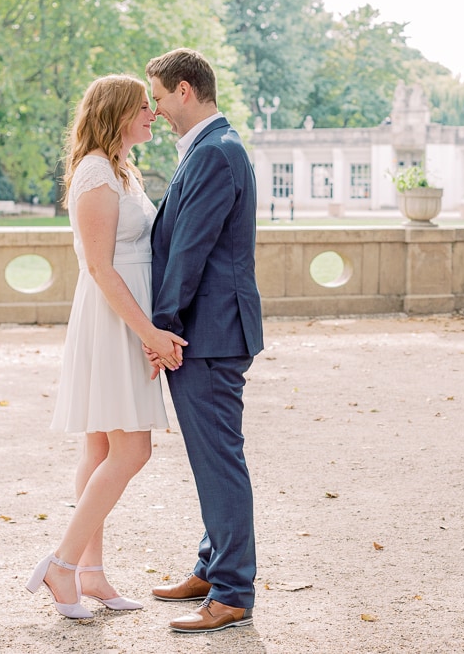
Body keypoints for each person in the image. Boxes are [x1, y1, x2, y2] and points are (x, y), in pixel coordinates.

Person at [26, 74, 187, 619]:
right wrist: (150, 334)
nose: (154, 114)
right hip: (116, 319)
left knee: (100, 449)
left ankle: (90, 573)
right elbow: (98, 266)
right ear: (118, 113)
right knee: (132, 450)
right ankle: (63, 564)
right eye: (144, 107)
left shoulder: (120, 169)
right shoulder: (96, 171)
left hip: (124, 315)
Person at [144, 48, 263, 633]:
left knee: (219, 460)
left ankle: (233, 591)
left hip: (208, 334)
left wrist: (162, 326)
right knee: (211, 457)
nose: (156, 109)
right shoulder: (211, 149)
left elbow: (189, 250)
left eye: (160, 98)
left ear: (184, 91)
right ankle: (214, 567)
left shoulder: (216, 153)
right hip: (210, 329)